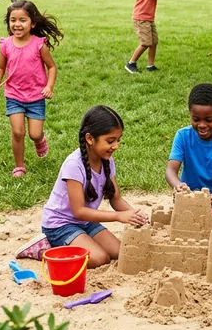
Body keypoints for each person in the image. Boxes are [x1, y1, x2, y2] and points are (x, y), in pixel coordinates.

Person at [41, 105, 148, 268]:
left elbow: (116, 198)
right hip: (60, 225)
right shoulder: (74, 165)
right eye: (110, 141)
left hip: (86, 222)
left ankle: (81, 241)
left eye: (118, 140)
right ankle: (45, 248)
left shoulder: (107, 160)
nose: (116, 146)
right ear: (90, 139)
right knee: (99, 258)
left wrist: (134, 214)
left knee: (121, 252)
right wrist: (118, 217)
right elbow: (79, 211)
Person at [0, 0, 62, 177]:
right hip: (14, 95)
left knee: (34, 134)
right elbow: (0, 67)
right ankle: (20, 166)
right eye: (13, 20)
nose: (17, 24)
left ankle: (40, 141)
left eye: (22, 20)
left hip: (36, 97)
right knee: (17, 132)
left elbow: (52, 67)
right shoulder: (6, 44)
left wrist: (49, 86)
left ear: (33, 23)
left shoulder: (39, 44)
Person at [166, 83, 212, 222]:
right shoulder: (182, 136)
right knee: (183, 229)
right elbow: (171, 170)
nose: (202, 125)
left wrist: (211, 199)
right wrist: (178, 186)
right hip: (189, 200)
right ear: (190, 115)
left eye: (208, 120)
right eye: (196, 119)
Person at [125, 0, 186, 73]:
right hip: (141, 17)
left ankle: (150, 66)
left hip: (148, 17)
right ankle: (131, 63)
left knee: (153, 42)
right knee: (146, 42)